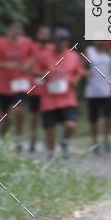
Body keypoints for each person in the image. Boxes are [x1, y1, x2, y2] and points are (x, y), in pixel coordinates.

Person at [36, 28, 84, 159]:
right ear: (55, 41)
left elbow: (79, 72)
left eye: (64, 40)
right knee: (50, 128)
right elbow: (35, 71)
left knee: (71, 124)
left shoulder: (73, 56)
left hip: (67, 97)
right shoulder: (45, 55)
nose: (62, 43)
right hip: (49, 98)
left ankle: (64, 141)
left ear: (67, 41)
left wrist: (76, 79)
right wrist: (46, 73)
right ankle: (51, 153)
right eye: (59, 40)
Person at [0, 16, 34, 147]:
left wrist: (28, 65)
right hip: (1, 87)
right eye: (13, 27)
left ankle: (17, 137)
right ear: (8, 29)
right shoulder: (0, 43)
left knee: (18, 111)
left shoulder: (27, 42)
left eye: (18, 27)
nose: (16, 30)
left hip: (19, 86)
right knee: (0, 119)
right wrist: (6, 65)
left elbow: (34, 56)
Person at [83, 40, 111, 153]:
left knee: (107, 117)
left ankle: (106, 139)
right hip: (92, 91)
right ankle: (94, 141)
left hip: (108, 89)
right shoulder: (89, 51)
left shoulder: (109, 51)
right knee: (93, 118)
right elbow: (81, 68)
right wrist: (86, 73)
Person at [28, 24, 52, 153]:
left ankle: (46, 139)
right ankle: (33, 137)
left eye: (47, 33)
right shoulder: (32, 48)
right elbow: (26, 65)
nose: (45, 36)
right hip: (34, 86)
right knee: (34, 115)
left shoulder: (51, 48)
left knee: (47, 114)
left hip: (48, 88)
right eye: (42, 33)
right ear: (38, 35)